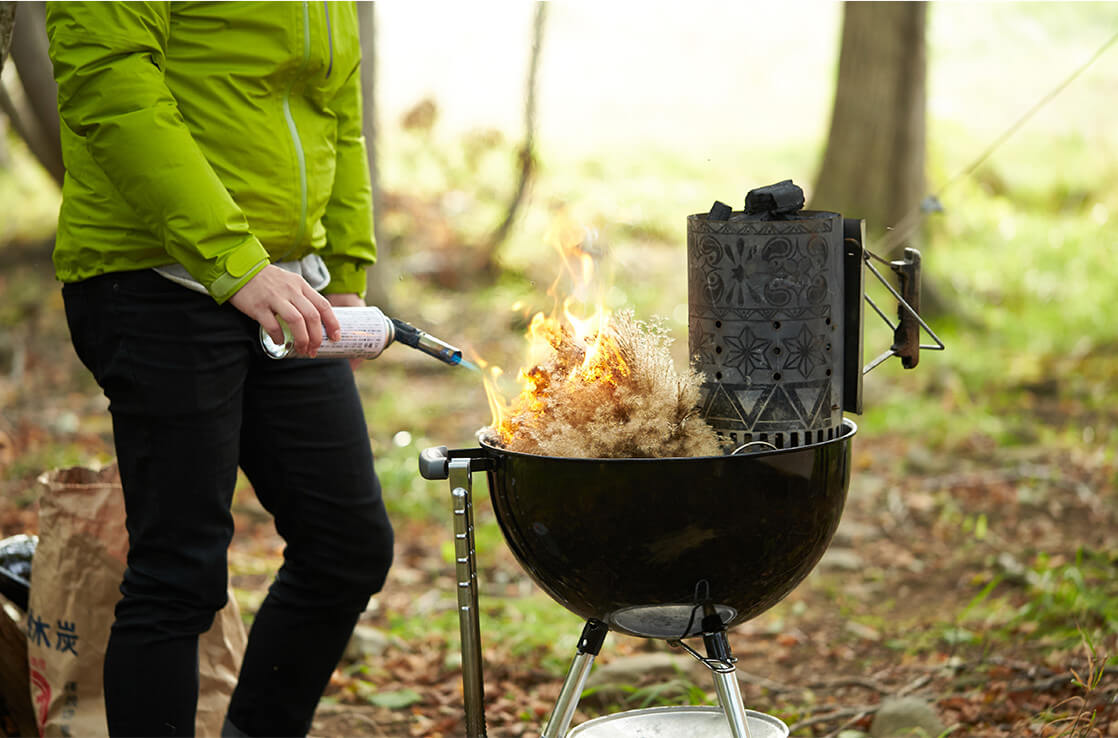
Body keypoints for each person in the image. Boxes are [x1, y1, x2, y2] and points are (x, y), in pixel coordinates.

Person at [44, 3, 394, 736]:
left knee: (346, 548)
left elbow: (338, 103)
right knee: (180, 570)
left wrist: (349, 263)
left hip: (288, 282)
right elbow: (110, 83)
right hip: (154, 277)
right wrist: (235, 265)